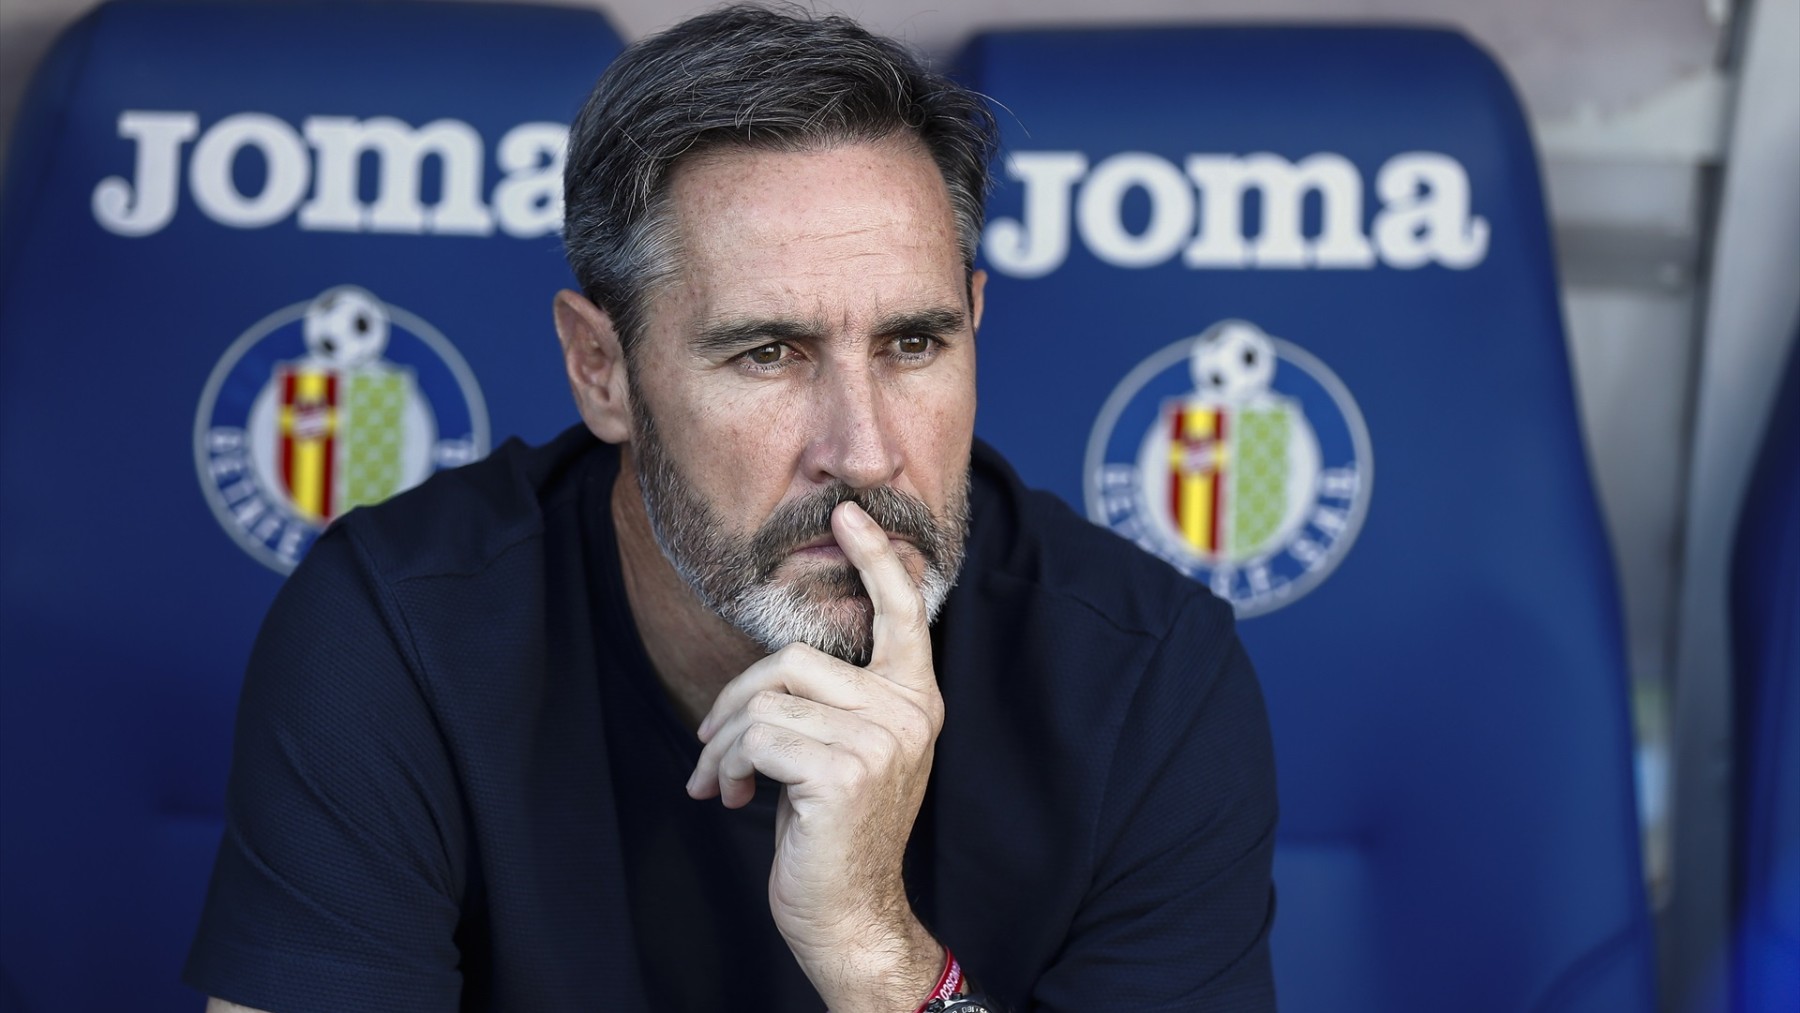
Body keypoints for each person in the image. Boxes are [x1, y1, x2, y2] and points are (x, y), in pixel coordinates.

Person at [183, 6, 1278, 1011]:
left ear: (974, 325)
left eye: (913, 343)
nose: (863, 450)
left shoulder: (1146, 675)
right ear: (602, 368)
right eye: (767, 353)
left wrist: (871, 946)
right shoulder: (397, 630)